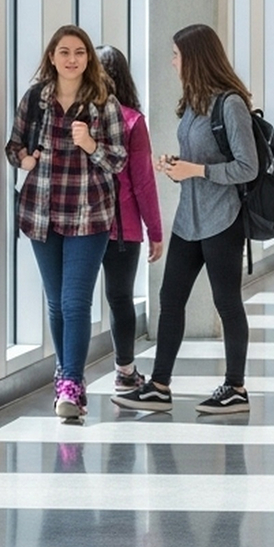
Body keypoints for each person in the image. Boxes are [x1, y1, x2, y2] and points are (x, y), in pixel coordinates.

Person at [112, 23, 256, 416]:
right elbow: (198, 159)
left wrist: (197, 171)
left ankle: (236, 387)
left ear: (194, 58)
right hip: (188, 219)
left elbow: (247, 167)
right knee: (170, 299)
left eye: (176, 55)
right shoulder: (192, 103)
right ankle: (159, 385)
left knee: (226, 303)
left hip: (222, 218)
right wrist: (176, 166)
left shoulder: (231, 104)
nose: (172, 62)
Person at [5, 25, 129, 421]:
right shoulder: (36, 100)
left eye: (79, 52)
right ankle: (64, 374)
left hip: (88, 215)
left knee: (76, 302)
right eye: (64, 52)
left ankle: (71, 383)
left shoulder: (102, 103)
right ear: (52, 57)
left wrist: (90, 144)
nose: (71, 59)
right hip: (41, 213)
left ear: (88, 58)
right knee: (56, 303)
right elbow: (13, 145)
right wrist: (24, 160)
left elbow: (118, 160)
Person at [96, 45, 164, 394]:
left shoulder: (81, 117)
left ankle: (68, 377)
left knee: (72, 301)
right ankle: (125, 373)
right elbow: (143, 181)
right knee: (120, 299)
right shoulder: (132, 121)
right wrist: (155, 230)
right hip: (122, 230)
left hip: (79, 226)